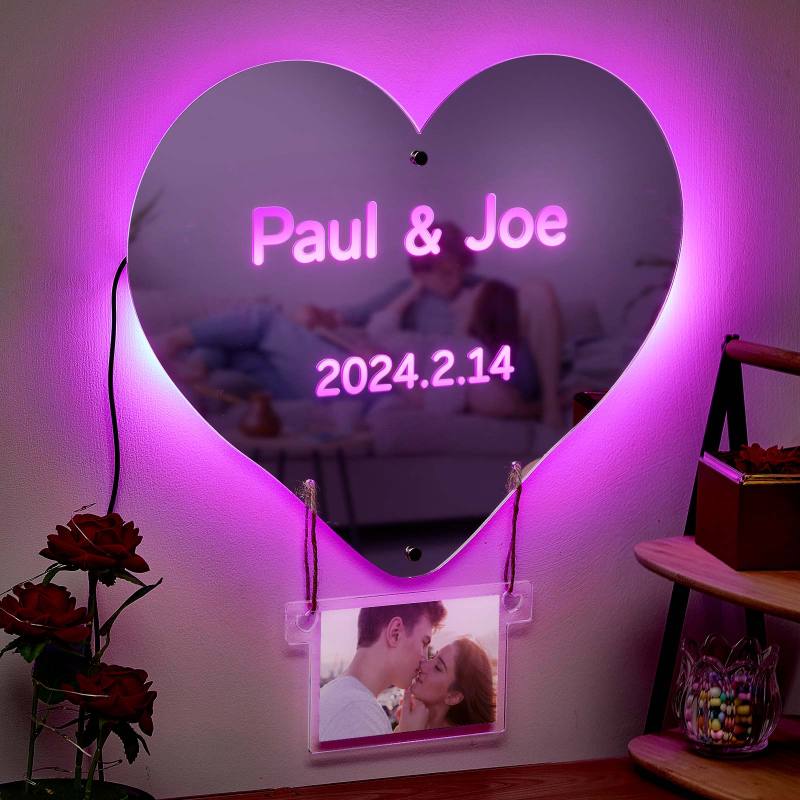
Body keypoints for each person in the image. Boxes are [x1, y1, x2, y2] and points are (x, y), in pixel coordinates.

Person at [318, 601, 446, 742]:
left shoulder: (337, 697)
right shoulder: (359, 712)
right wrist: (409, 740)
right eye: (424, 643)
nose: (425, 660)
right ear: (395, 633)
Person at [396, 637, 495, 732]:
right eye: (433, 657)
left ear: (453, 696)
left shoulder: (456, 743)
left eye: (437, 668)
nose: (423, 665)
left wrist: (409, 735)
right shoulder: (407, 725)